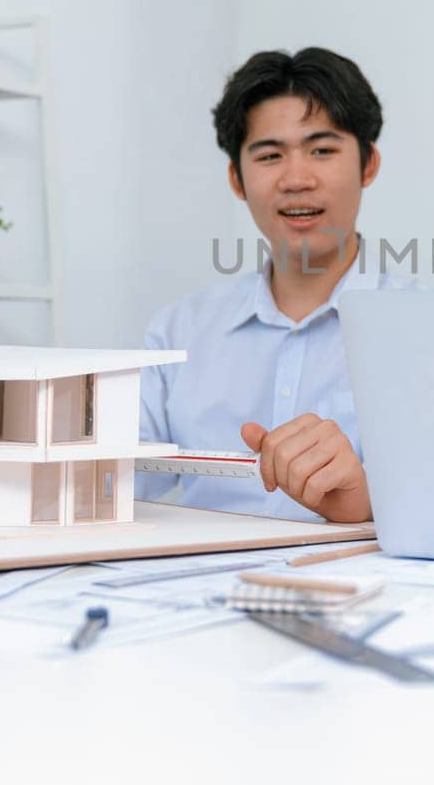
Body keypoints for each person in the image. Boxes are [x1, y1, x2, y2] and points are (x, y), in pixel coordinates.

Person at [139, 48, 405, 523]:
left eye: (322, 150)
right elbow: (115, 490)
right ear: (236, 179)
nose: (297, 179)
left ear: (368, 165)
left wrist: (366, 504)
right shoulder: (177, 333)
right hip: (200, 586)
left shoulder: (426, 332)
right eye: (269, 155)